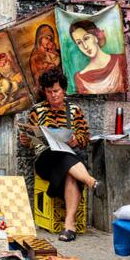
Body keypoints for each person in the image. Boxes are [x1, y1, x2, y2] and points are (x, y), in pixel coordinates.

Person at [19, 67, 100, 242]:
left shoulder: (74, 111)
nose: (53, 95)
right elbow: (30, 141)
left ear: (63, 90)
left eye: (56, 91)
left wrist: (76, 140)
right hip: (45, 161)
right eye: (49, 92)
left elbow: (85, 138)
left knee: (69, 172)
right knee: (60, 156)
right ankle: (90, 181)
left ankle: (69, 226)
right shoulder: (37, 111)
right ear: (45, 92)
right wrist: (26, 139)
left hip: (68, 158)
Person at [69, 19, 127, 94]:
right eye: (79, 43)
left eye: (86, 38)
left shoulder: (120, 60)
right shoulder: (80, 78)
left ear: (95, 38)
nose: (85, 46)